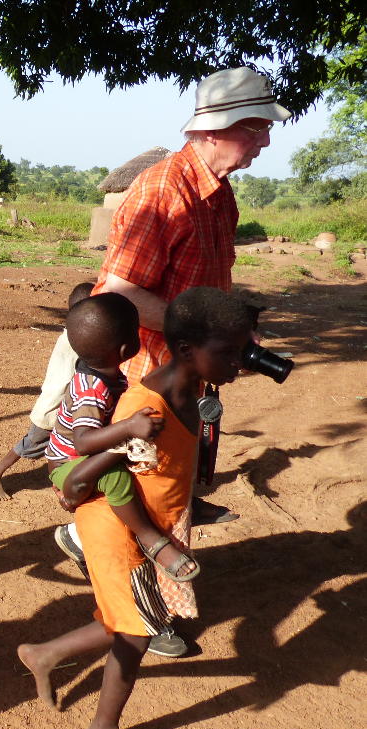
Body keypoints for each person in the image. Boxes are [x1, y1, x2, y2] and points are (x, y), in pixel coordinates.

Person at [18, 287, 255, 729]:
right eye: (230, 352)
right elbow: (87, 470)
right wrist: (75, 489)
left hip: (149, 524)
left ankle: (45, 654)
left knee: (127, 617)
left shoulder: (189, 385)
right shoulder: (145, 407)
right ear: (187, 350)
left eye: (243, 350)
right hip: (118, 529)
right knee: (139, 630)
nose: (240, 362)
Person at [94, 66, 289, 525]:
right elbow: (120, 294)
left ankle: (173, 515)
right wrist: (210, 338)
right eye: (256, 129)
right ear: (215, 129)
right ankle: (91, 541)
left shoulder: (220, 195)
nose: (265, 142)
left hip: (187, 373)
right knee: (140, 498)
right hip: (150, 378)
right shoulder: (163, 191)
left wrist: (234, 331)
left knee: (171, 481)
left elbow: (208, 285)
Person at [44, 293, 199, 582]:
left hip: (85, 457)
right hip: (68, 463)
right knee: (116, 477)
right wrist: (128, 427)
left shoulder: (108, 375)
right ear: (127, 348)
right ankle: (152, 539)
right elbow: (83, 442)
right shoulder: (92, 389)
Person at [0, 282, 93, 500]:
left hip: (65, 407)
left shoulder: (73, 335)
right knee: (30, 444)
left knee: (66, 446)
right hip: (53, 407)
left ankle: (63, 483)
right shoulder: (77, 341)